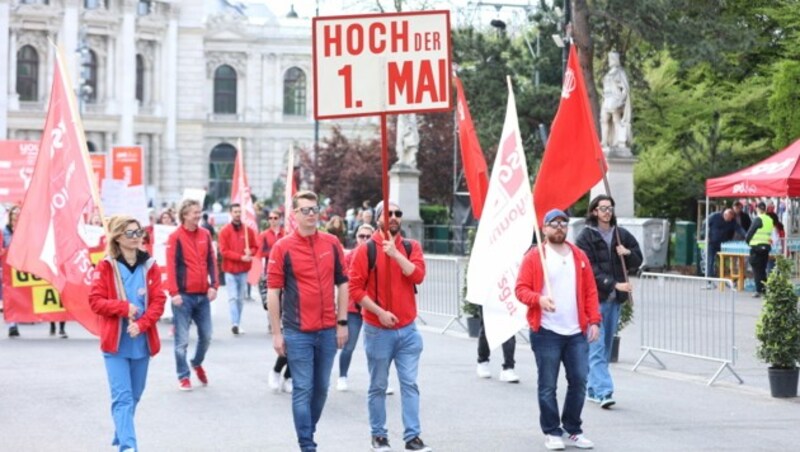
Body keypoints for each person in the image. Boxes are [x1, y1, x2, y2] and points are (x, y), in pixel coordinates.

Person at [267, 190, 349, 452]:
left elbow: (343, 283)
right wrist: (277, 333)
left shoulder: (331, 243)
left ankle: (307, 430)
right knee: (303, 387)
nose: (312, 214)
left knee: (322, 388)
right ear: (295, 214)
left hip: (327, 330)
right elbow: (273, 291)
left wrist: (342, 322)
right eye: (306, 210)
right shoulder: (282, 247)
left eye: (315, 209)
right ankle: (307, 444)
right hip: (297, 331)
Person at [349, 201, 432, 452]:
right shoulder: (366, 250)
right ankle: (379, 436)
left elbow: (417, 275)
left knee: (409, 384)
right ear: (378, 219)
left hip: (407, 329)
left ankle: (412, 437)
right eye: (388, 213)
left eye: (398, 213)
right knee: (378, 386)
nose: (394, 217)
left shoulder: (410, 246)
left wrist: (395, 254)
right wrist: (379, 312)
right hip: (378, 330)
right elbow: (355, 289)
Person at [515, 209, 601, 451]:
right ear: (544, 228)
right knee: (547, 385)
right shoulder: (535, 256)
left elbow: (590, 291)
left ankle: (573, 428)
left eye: (564, 223)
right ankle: (552, 431)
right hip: (546, 332)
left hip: (576, 332)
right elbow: (520, 289)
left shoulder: (579, 255)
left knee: (579, 380)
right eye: (554, 224)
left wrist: (594, 320)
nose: (559, 227)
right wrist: (538, 299)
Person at [88, 215, 167, 452]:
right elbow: (95, 301)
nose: (136, 237)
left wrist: (142, 323)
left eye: (138, 232)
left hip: (141, 342)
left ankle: (121, 429)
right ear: (118, 237)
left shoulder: (149, 265)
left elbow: (158, 301)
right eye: (130, 233)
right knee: (122, 398)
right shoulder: (106, 266)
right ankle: (128, 446)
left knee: (135, 395)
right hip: (116, 344)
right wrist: (123, 308)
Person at [575, 195, 642, 410]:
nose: (607, 212)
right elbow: (588, 269)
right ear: (594, 211)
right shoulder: (586, 237)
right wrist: (613, 284)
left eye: (610, 208)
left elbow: (638, 259)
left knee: (604, 348)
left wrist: (628, 253)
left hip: (615, 302)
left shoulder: (621, 235)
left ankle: (592, 389)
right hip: (594, 300)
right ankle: (604, 391)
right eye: (603, 208)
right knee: (596, 347)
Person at [166, 199, 219, 391]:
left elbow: (212, 261)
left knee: (206, 336)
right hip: (183, 297)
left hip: (202, 295)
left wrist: (214, 285)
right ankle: (183, 376)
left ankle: (196, 362)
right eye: (195, 212)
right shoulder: (175, 237)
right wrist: (174, 293)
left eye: (199, 212)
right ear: (185, 215)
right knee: (181, 341)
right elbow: (170, 266)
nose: (199, 215)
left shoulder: (205, 234)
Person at [336, 223, 374, 391]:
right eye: (362, 236)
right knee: (349, 345)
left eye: (368, 236)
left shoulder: (377, 255)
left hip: (373, 307)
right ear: (356, 237)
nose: (365, 240)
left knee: (376, 347)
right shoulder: (349, 257)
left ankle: (379, 380)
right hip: (353, 308)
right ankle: (342, 376)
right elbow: (344, 283)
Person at [259, 210, 292, 392]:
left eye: (276, 217)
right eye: (270, 217)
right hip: (273, 282)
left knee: (299, 346)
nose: (273, 220)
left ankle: (288, 376)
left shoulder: (287, 236)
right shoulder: (267, 236)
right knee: (289, 340)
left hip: (299, 301)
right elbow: (262, 253)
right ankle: (277, 371)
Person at [218, 203, 257, 335]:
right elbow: (224, 251)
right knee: (233, 297)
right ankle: (234, 323)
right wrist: (241, 257)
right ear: (230, 213)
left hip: (243, 270)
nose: (238, 214)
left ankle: (237, 323)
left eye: (239, 212)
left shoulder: (248, 231)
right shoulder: (224, 231)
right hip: (230, 270)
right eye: (235, 211)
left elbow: (255, 247)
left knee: (240, 298)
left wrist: (250, 251)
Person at [475, 306, 519, 382]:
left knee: (509, 328)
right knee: (487, 326)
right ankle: (482, 361)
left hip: (505, 297)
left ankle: (508, 367)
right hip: (485, 297)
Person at [702, 208, 746, 284]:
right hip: (712, 242)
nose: (729, 220)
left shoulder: (732, 220)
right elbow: (705, 224)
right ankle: (709, 280)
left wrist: (746, 235)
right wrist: (705, 235)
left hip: (723, 244)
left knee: (725, 262)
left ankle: (725, 278)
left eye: (731, 219)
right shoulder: (714, 216)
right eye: (728, 218)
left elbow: (738, 228)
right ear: (725, 215)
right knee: (710, 261)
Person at [600, 51, 632, 153]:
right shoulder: (609, 73)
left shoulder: (619, 72)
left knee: (615, 120)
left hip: (615, 99)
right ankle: (604, 141)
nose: (609, 61)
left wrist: (621, 100)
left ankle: (619, 141)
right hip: (606, 98)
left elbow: (625, 88)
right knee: (604, 119)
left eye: (610, 59)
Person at [745, 202, 774, 298]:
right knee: (762, 269)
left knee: (757, 270)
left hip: (756, 248)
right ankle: (764, 289)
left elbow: (749, 233)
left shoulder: (758, 219)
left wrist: (748, 242)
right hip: (766, 247)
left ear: (757, 209)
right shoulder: (769, 219)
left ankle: (758, 290)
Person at [3, 205, 20, 338]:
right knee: (10, 295)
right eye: (14, 213)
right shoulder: (4, 232)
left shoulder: (25, 231)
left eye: (19, 213)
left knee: (21, 296)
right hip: (9, 269)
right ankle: (12, 325)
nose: (16, 215)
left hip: (21, 269)